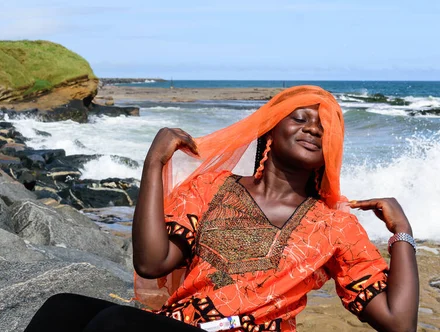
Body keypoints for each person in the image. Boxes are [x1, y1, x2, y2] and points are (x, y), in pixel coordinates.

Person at [25, 86, 418, 332]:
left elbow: (398, 323)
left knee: (114, 323)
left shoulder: (335, 226)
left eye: (325, 128)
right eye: (300, 118)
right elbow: (152, 262)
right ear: (269, 129)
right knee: (62, 309)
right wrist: (153, 164)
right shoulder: (210, 188)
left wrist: (402, 232)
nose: (314, 129)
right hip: (180, 325)